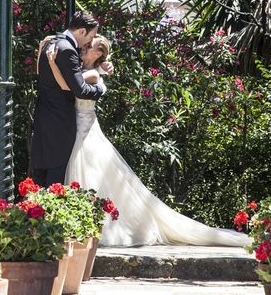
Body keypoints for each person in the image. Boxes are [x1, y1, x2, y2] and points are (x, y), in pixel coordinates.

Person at [45, 35, 250, 247]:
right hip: (76, 127)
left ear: (99, 53)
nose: (84, 47)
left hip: (84, 130)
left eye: (90, 46)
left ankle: (90, 225)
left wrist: (52, 62)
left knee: (89, 172)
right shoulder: (88, 69)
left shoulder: (92, 75)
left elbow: (68, 85)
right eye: (86, 45)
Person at [30, 12, 107, 187]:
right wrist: (100, 88)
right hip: (60, 123)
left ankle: (35, 213)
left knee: (41, 178)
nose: (89, 42)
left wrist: (101, 66)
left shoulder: (51, 42)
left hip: (44, 117)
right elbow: (79, 90)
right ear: (81, 31)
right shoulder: (67, 50)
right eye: (91, 36)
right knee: (56, 180)